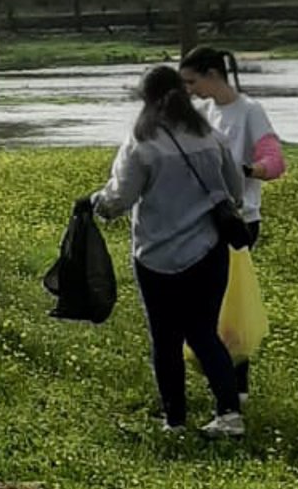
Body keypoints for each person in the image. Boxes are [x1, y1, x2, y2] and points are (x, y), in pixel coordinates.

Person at [91, 64, 248, 438]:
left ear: (145, 98)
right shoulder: (209, 134)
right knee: (204, 333)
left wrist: (97, 202)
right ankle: (229, 414)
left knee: (165, 339)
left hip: (155, 255)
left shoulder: (141, 141)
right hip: (209, 251)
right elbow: (236, 191)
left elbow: (119, 199)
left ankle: (174, 421)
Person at [180, 43, 286, 394]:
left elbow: (275, 163)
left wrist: (244, 170)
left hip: (239, 219)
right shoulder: (204, 112)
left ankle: (237, 384)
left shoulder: (250, 111)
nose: (190, 91)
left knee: (230, 301)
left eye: (193, 82)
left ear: (213, 75)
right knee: (208, 302)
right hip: (205, 218)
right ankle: (218, 375)